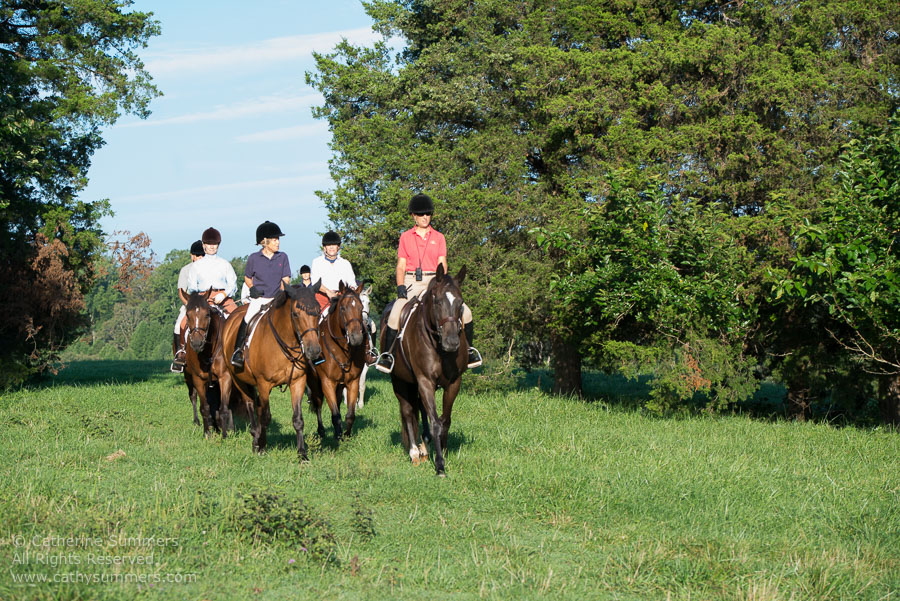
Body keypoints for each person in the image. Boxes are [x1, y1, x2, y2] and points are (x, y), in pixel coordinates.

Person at [375, 193, 481, 373]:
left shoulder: (439, 237)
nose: (425, 217)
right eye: (421, 214)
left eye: (427, 214)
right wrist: (401, 287)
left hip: (435, 279)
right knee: (395, 313)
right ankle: (387, 356)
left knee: (467, 313)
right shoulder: (405, 237)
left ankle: (470, 351)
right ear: (413, 216)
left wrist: (443, 285)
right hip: (411, 280)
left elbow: (443, 263)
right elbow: (400, 266)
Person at [231, 221, 292, 368]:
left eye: (278, 239)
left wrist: (282, 292)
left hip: (277, 299)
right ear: (264, 242)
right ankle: (238, 351)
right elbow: (247, 277)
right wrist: (252, 288)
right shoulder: (253, 258)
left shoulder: (282, 257)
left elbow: (286, 279)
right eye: (275, 239)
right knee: (247, 318)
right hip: (260, 299)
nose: (278, 242)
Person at [170, 240, 204, 373]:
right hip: (189, 304)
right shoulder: (186, 270)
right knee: (179, 324)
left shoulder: (208, 269)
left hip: (206, 305)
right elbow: (181, 292)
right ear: (192, 256)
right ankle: (181, 353)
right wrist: (189, 306)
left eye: (202, 255)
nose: (200, 258)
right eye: (198, 255)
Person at [186, 227, 238, 313]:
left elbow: (233, 285)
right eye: (209, 244)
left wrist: (224, 294)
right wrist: (200, 298)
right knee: (183, 323)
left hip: (224, 300)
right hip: (202, 301)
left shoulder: (225, 264)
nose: (212, 247)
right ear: (204, 245)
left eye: (214, 244)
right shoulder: (195, 266)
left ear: (218, 245)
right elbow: (192, 288)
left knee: (239, 321)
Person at [310, 231, 357, 313]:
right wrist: (328, 292)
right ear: (324, 247)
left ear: (338, 247)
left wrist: (352, 288)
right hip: (322, 299)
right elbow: (315, 283)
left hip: (342, 299)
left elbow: (352, 283)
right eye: (328, 245)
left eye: (334, 245)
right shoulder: (317, 262)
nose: (331, 247)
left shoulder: (345, 263)